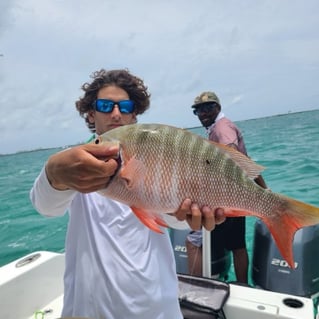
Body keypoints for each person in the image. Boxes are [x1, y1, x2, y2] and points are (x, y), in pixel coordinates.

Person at [30, 70, 226, 319]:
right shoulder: (76, 163)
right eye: (104, 106)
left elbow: (173, 220)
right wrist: (54, 173)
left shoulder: (157, 154)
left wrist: (187, 215)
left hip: (156, 306)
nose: (115, 114)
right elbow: (46, 206)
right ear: (91, 113)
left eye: (124, 107)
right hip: (91, 309)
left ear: (134, 114)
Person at [186, 91, 267, 284]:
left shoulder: (222, 130)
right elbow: (246, 162)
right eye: (198, 110)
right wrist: (264, 191)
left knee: (195, 241)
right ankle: (242, 284)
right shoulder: (219, 126)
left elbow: (232, 156)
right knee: (237, 246)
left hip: (225, 197)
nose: (203, 113)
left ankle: (198, 286)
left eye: (208, 108)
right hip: (234, 196)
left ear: (218, 108)